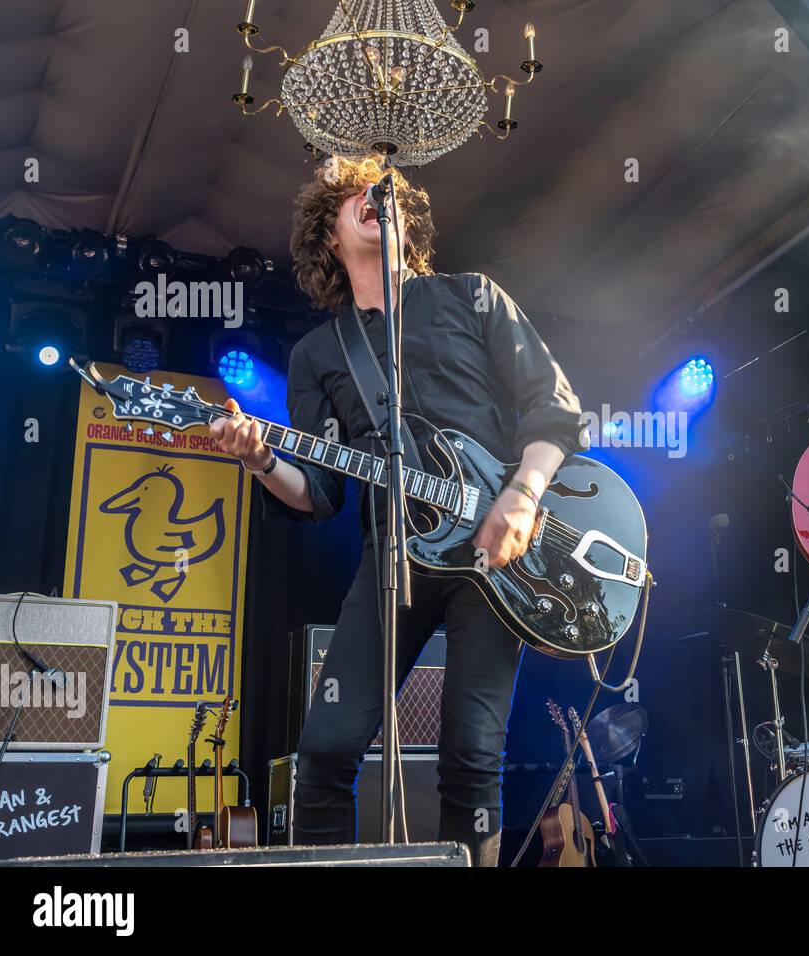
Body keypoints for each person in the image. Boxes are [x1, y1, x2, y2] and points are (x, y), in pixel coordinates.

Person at [209, 155, 587, 865]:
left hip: (494, 557)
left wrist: (523, 496)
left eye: (381, 191)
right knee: (323, 750)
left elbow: (555, 409)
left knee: (472, 756)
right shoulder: (321, 352)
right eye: (352, 195)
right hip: (393, 558)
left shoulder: (472, 297)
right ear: (328, 236)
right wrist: (259, 459)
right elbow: (318, 492)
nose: (371, 198)